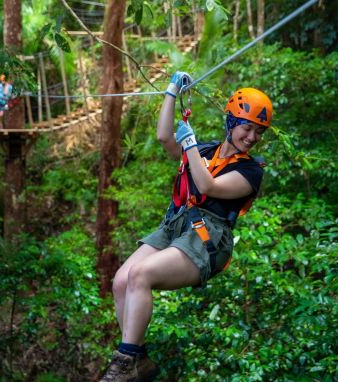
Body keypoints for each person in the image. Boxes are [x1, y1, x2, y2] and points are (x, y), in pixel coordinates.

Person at [99, 72, 273, 382]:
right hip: (177, 225)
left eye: (259, 133)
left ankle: (124, 362)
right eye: (248, 128)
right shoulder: (206, 151)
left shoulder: (250, 170)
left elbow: (207, 184)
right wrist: (171, 92)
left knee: (141, 275)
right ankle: (139, 359)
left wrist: (189, 142)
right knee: (121, 281)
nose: (252, 138)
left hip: (208, 238)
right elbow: (166, 137)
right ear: (232, 124)